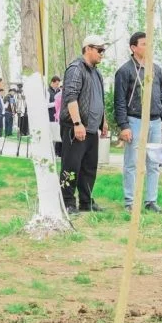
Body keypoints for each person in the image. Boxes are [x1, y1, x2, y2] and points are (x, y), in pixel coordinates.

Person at [113, 31, 162, 213]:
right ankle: (130, 201)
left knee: (153, 163)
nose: (148, 47)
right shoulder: (124, 71)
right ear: (133, 48)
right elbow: (119, 101)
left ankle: (151, 200)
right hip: (135, 120)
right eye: (144, 44)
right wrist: (124, 125)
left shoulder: (156, 69)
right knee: (132, 162)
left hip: (155, 121)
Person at [59, 35, 109, 214]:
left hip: (92, 129)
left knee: (89, 167)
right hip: (76, 127)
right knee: (71, 166)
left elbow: (99, 99)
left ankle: (86, 202)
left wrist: (104, 120)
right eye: (99, 50)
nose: (102, 54)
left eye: (103, 50)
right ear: (88, 48)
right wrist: (77, 123)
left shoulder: (97, 72)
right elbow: (70, 97)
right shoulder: (75, 69)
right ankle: (67, 202)